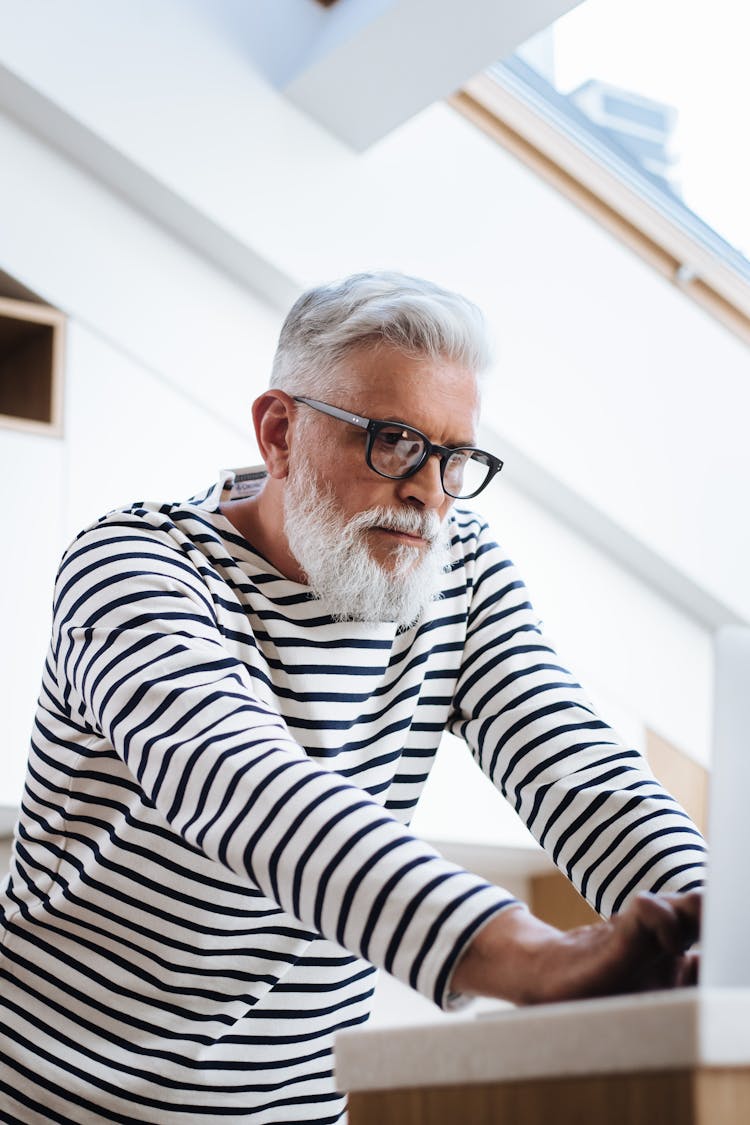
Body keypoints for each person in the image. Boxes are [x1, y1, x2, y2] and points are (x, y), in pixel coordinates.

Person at [0, 272, 704, 1123]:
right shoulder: (136, 567)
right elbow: (252, 792)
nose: (428, 492)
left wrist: (710, 922)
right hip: (52, 1106)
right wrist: (535, 958)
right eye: (396, 442)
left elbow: (580, 772)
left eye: (454, 459)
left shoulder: (458, 570)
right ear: (280, 431)